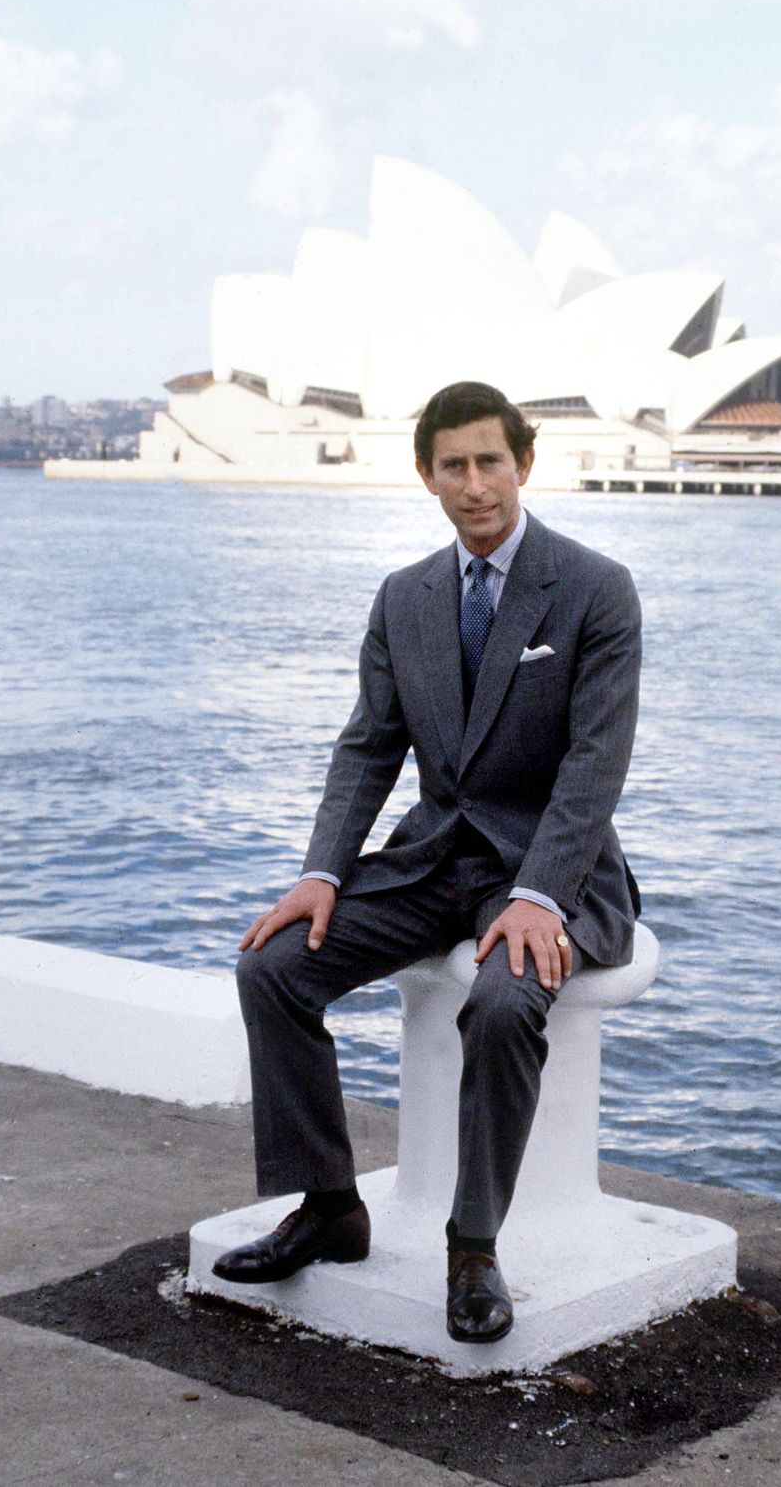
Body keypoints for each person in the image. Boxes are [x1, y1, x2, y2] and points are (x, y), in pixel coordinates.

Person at [213, 380, 642, 1344]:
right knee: (273, 968)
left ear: (524, 465)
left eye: (492, 461)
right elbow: (370, 745)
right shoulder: (404, 597)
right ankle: (329, 1209)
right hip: (433, 861)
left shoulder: (595, 588)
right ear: (427, 476)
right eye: (454, 465)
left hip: (550, 867)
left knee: (500, 1002)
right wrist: (322, 871)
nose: (475, 483)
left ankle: (474, 1248)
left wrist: (539, 895)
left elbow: (595, 762)